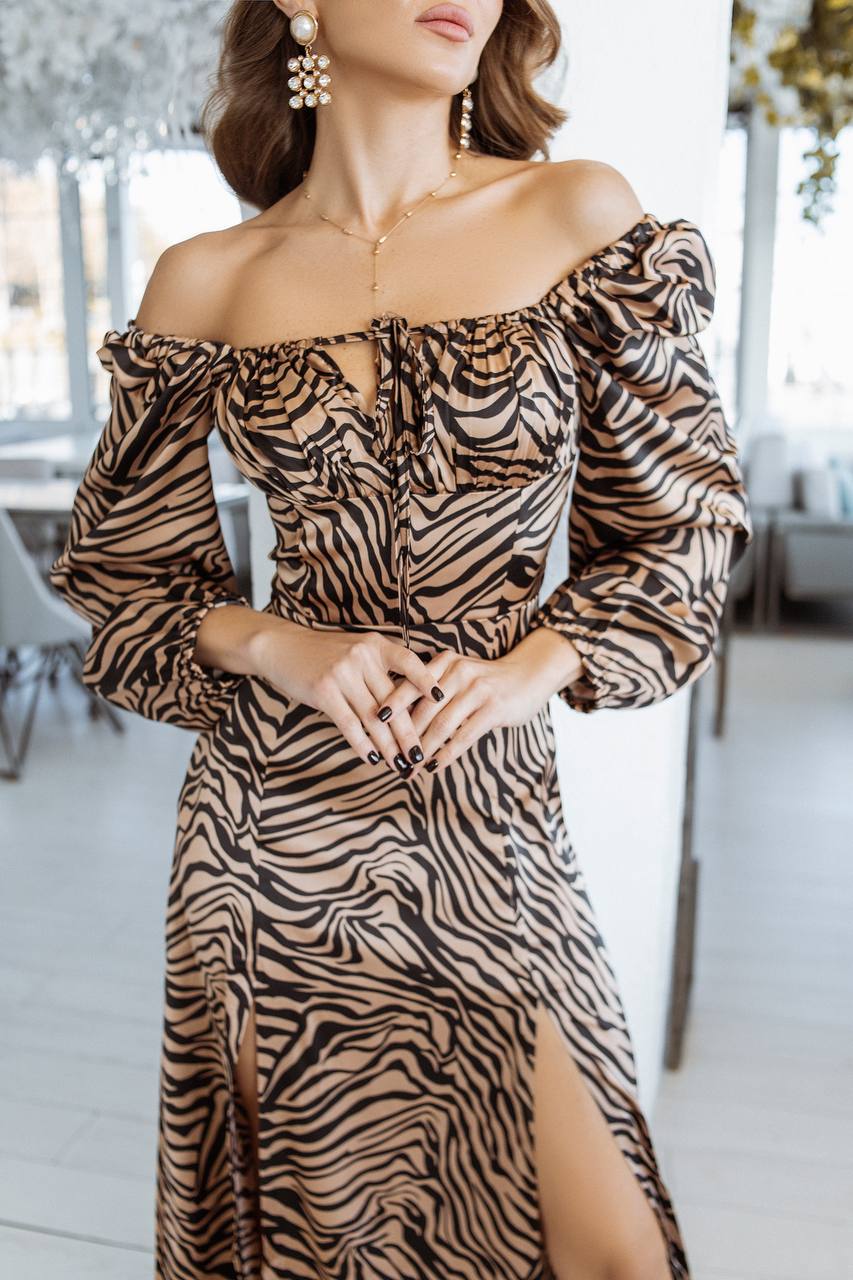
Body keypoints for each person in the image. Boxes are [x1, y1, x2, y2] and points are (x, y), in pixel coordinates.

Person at [49, 2, 753, 1278]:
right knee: (332, 1247)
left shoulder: (576, 217)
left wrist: (526, 671)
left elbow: (680, 533)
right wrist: (282, 645)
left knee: (615, 1253)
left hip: (490, 823)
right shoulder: (212, 276)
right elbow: (127, 580)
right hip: (269, 844)